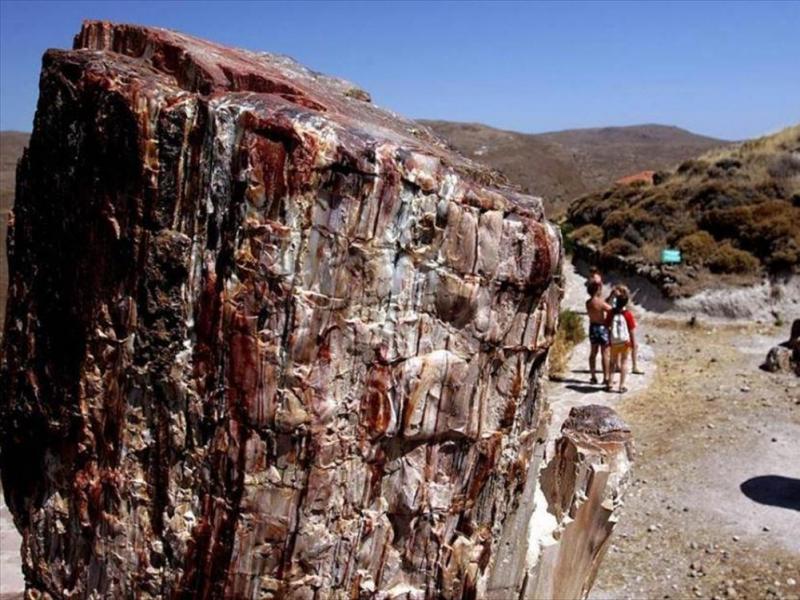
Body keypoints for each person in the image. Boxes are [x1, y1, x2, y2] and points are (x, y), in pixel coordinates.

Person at [606, 285, 637, 393]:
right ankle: (621, 386)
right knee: (624, 362)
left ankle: (610, 383)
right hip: (625, 343)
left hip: (614, 342)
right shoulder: (628, 315)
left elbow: (607, 325)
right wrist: (633, 344)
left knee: (612, 362)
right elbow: (632, 331)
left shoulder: (611, 313)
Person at [585, 280, 612, 385]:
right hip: (602, 327)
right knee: (605, 353)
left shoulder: (588, 303)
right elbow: (610, 309)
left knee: (593, 353)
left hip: (593, 327)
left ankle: (593, 376)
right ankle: (606, 377)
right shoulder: (600, 302)